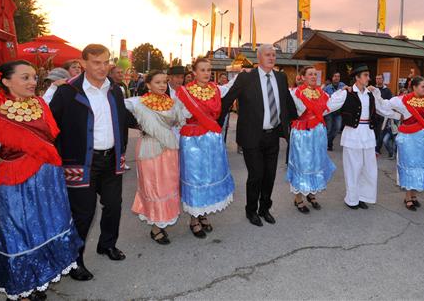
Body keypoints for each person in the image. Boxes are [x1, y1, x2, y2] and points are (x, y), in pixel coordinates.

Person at [0, 60, 82, 300]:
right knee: (20, 234)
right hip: (16, 186)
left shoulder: (40, 104)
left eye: (34, 77)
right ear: (5, 81)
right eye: (25, 77)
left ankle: (37, 281)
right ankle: (23, 291)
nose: (32, 82)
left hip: (47, 182)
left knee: (44, 230)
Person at [49, 44, 136, 281]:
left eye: (106, 62)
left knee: (114, 206)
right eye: (96, 62)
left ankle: (107, 244)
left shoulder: (115, 90)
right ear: (84, 63)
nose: (102, 67)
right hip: (81, 163)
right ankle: (74, 260)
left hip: (111, 159)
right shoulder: (68, 92)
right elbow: (51, 126)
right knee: (83, 214)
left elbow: (123, 119)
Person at [219, 44, 298, 227]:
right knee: (256, 175)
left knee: (269, 175)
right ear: (259, 57)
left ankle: (265, 209)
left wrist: (296, 121)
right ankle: (251, 210)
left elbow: (286, 100)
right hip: (251, 136)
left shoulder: (280, 77)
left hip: (273, 135)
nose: (272, 58)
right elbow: (228, 100)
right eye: (268, 55)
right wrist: (214, 122)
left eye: (274, 55)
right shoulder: (246, 77)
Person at [372, 77, 424, 210]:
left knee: (421, 166)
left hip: (423, 140)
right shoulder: (401, 100)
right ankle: (407, 197)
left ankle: (414, 195)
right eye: (423, 87)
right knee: (409, 166)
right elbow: (382, 105)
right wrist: (376, 93)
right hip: (408, 139)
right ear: (414, 87)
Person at [124, 70, 186, 244]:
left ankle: (161, 223)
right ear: (148, 84)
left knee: (167, 186)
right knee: (153, 186)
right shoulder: (137, 103)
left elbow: (180, 120)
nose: (161, 85)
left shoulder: (173, 103)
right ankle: (155, 227)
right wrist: (138, 125)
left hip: (169, 149)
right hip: (149, 148)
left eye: (164, 82)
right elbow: (114, 107)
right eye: (157, 82)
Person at [176, 58, 236, 238]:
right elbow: (178, 116)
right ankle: (194, 218)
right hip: (193, 141)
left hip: (211, 139)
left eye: (209, 70)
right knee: (196, 178)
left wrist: (244, 74)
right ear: (194, 72)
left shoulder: (215, 90)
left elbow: (232, 86)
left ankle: (203, 214)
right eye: (202, 70)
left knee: (209, 176)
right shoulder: (184, 92)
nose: (206, 73)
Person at [286, 66, 346, 213]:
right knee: (302, 164)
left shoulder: (322, 93)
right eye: (310, 74)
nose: (313, 76)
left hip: (318, 133)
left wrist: (344, 92)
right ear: (303, 77)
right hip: (302, 133)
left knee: (316, 162)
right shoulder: (296, 93)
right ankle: (298, 198)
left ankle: (311, 194)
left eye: (315, 74)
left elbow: (330, 106)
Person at [339, 64, 395, 209]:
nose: (369, 78)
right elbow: (328, 105)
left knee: (368, 168)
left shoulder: (371, 94)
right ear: (357, 78)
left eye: (368, 75)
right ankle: (351, 199)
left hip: (368, 135)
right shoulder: (347, 93)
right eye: (365, 75)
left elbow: (383, 108)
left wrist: (402, 116)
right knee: (353, 168)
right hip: (352, 134)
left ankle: (362, 196)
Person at [323, 71, 345, 151]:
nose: (337, 78)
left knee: (337, 128)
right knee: (329, 129)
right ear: (332, 78)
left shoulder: (342, 86)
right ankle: (327, 144)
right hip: (329, 112)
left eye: (338, 76)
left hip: (338, 112)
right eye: (335, 76)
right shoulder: (327, 88)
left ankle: (329, 141)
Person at [373, 73, 393, 155]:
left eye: (380, 78)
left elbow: (389, 103)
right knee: (374, 132)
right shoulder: (373, 89)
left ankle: (377, 149)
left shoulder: (387, 91)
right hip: (373, 115)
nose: (378, 80)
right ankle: (373, 148)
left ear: (383, 79)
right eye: (377, 78)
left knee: (381, 133)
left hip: (383, 116)